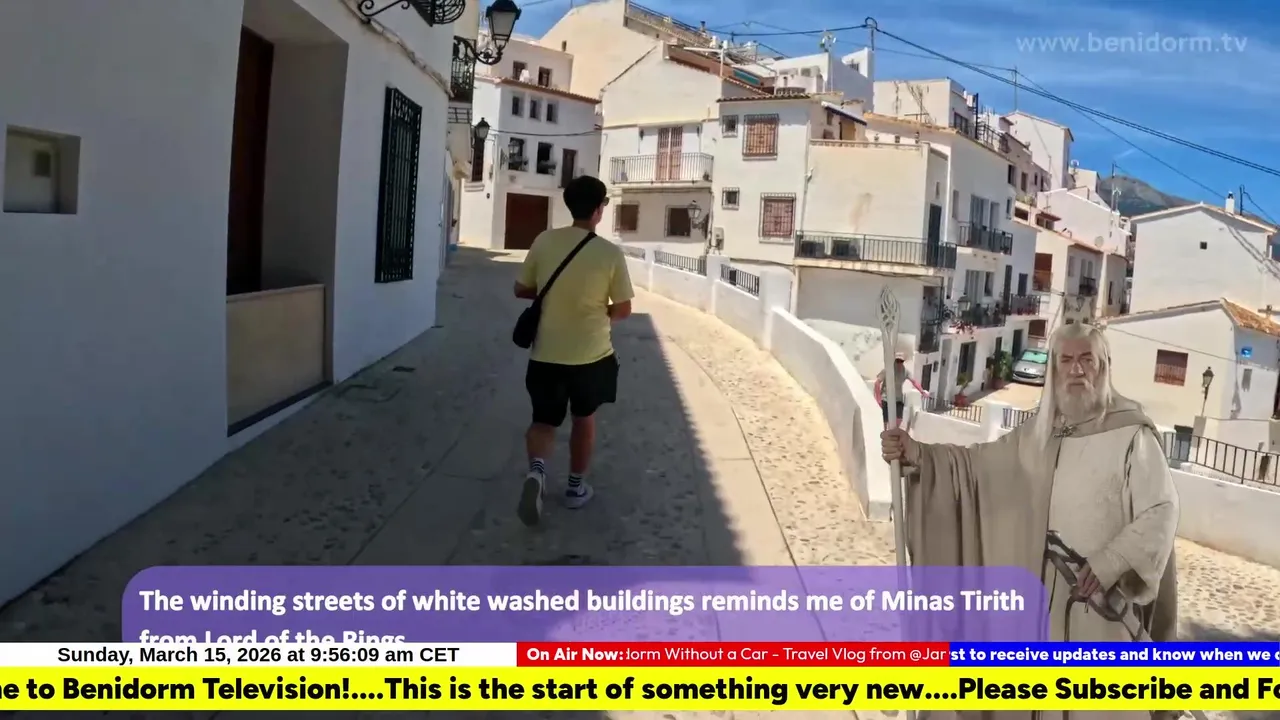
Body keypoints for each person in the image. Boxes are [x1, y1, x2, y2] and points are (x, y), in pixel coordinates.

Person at [881, 321, 1179, 720]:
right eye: (1066, 360)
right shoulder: (1038, 435)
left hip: (1099, 607)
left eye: (1086, 359)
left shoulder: (1131, 434)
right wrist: (918, 453)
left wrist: (1111, 561)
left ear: (1104, 366)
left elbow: (1161, 509)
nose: (1076, 370)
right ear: (1053, 369)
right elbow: (976, 468)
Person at [513, 176, 634, 527]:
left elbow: (521, 288)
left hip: (546, 354)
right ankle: (575, 488)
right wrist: (600, 309)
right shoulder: (609, 253)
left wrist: (551, 293)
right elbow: (623, 309)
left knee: (543, 421)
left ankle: (537, 473)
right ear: (598, 210)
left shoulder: (544, 240)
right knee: (584, 419)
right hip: (592, 355)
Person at [873, 352, 928, 429]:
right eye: (897, 361)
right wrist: (878, 399)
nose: (899, 363)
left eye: (901, 361)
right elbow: (877, 383)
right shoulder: (887, 370)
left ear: (903, 361)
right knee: (885, 421)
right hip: (886, 398)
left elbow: (914, 382)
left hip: (898, 398)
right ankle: (885, 432)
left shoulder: (905, 371)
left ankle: (893, 431)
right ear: (894, 361)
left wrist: (922, 391)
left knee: (899, 419)